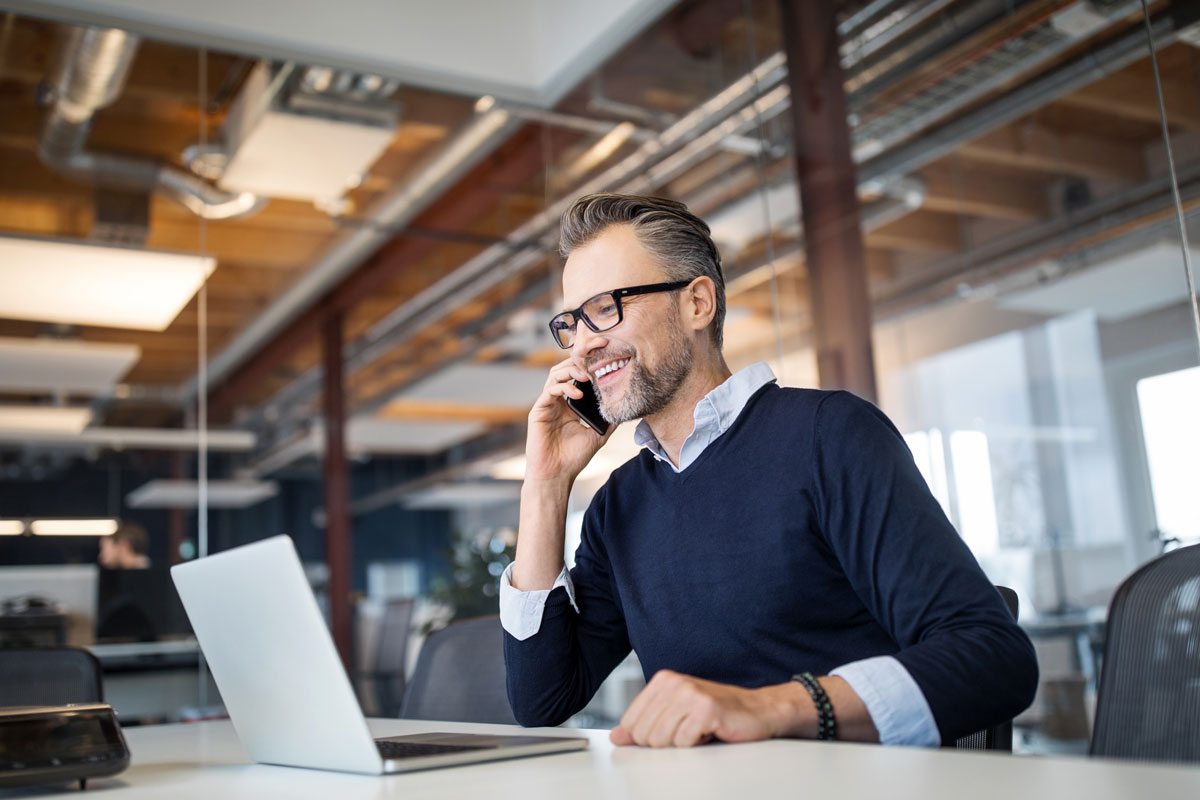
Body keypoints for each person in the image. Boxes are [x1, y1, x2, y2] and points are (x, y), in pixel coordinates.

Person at [500, 193, 1038, 748]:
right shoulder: (620, 505)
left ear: (697, 304)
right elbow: (543, 699)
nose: (585, 344)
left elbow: (993, 658)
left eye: (607, 307)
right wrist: (545, 485)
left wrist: (771, 708)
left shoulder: (829, 436)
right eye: (571, 323)